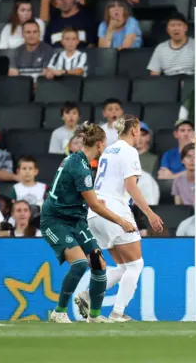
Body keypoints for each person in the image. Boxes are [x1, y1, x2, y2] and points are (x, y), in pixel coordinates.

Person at [41, 122, 136, 323]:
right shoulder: (81, 167)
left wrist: (91, 200)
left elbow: (81, 196)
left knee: (99, 265)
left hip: (76, 220)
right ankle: (59, 312)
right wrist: (122, 222)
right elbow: (95, 206)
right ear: (100, 145)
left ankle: (93, 316)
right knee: (80, 263)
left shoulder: (79, 161)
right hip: (55, 221)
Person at [76, 116, 164, 322]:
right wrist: (149, 213)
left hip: (96, 212)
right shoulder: (129, 151)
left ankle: (88, 295)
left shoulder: (108, 150)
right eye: (139, 131)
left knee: (124, 267)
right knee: (135, 265)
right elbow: (131, 186)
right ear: (134, 131)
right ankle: (117, 312)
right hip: (114, 212)